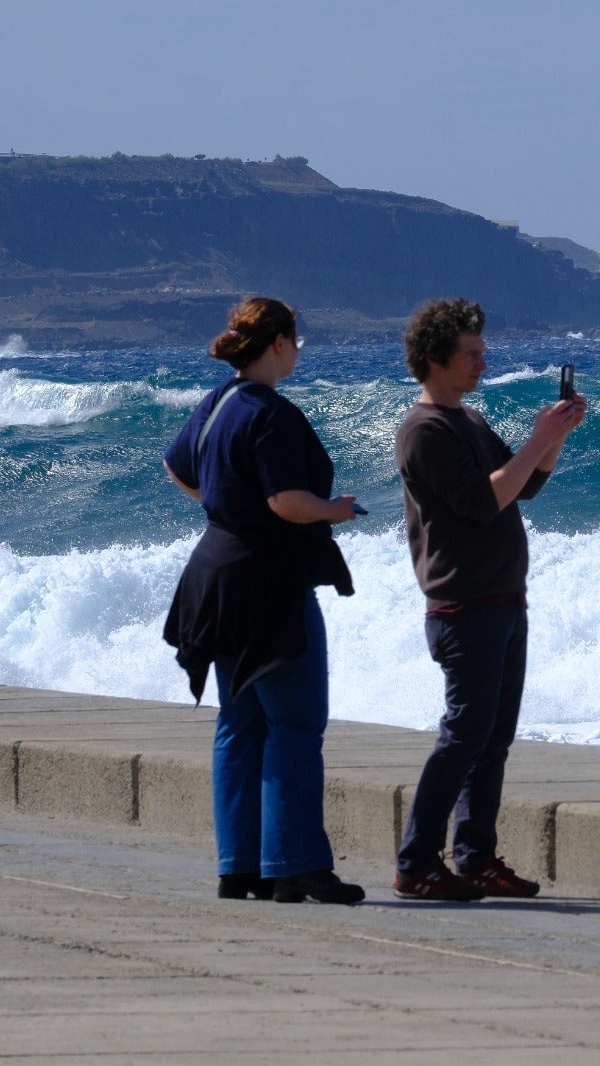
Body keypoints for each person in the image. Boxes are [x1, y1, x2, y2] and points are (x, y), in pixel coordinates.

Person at [161, 296, 366, 905]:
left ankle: (239, 866)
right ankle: (295, 864)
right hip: (268, 582)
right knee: (296, 723)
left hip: (217, 576)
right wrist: (336, 509)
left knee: (241, 722)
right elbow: (285, 502)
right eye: (296, 341)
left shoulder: (218, 401)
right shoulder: (269, 411)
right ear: (276, 343)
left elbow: (177, 467)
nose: (299, 351)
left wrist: (223, 501)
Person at [392, 298, 586, 901]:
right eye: (471, 353)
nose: (482, 361)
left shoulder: (469, 420)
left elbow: (523, 485)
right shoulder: (423, 430)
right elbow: (481, 501)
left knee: (492, 739)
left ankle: (474, 854)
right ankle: (417, 860)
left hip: (503, 599)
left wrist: (552, 439)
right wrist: (538, 439)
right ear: (435, 359)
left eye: (481, 351)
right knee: (464, 735)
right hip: (463, 604)